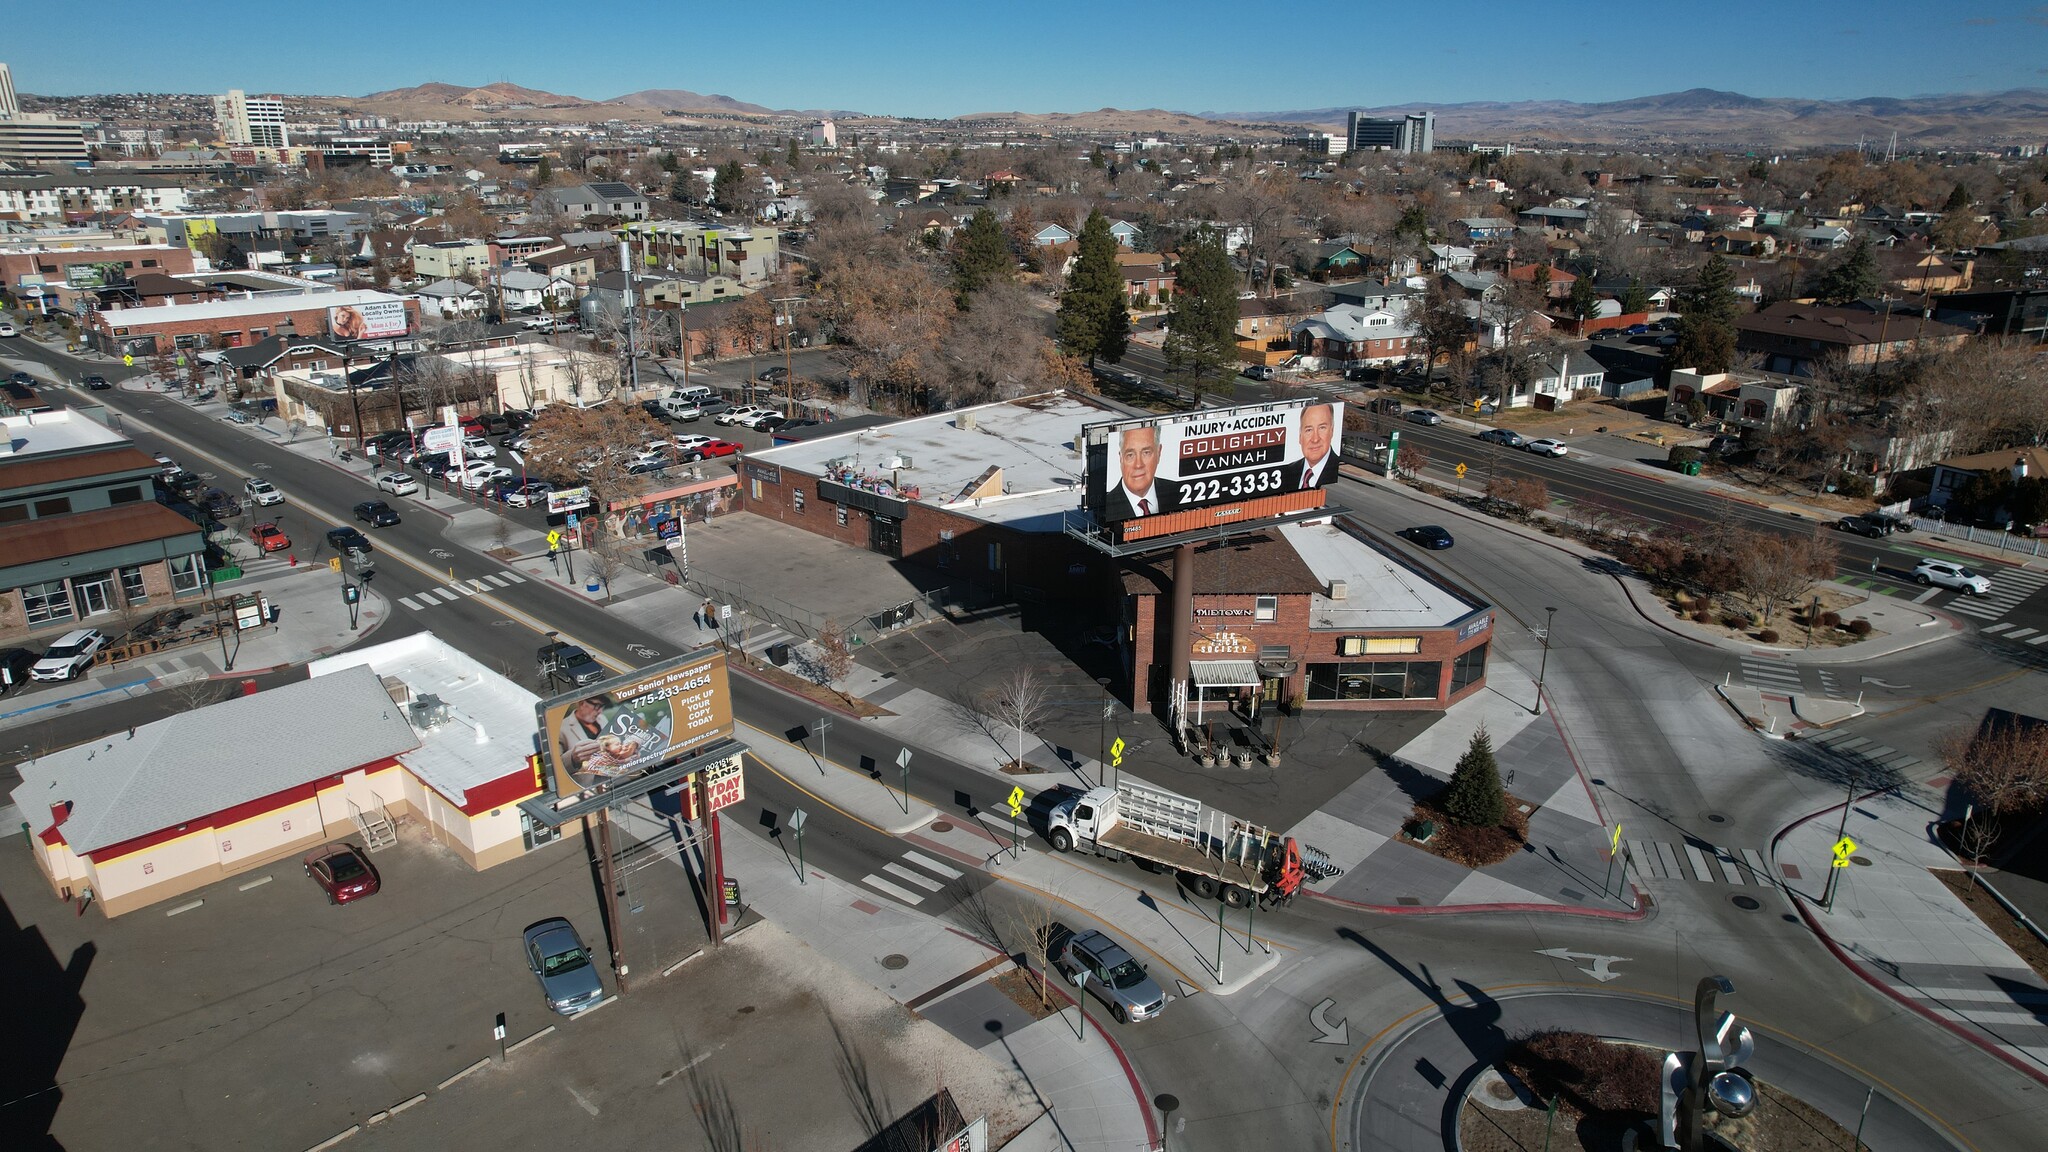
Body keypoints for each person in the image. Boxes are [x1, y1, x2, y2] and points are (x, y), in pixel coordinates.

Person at [1103, 424, 1176, 521]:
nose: (1138, 465)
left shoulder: (1177, 492)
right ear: (1121, 458)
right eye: (1130, 455)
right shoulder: (1107, 506)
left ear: (1159, 453)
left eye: (1146, 453)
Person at [1277, 402, 1338, 491]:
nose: (1315, 439)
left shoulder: (1335, 470)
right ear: (1300, 436)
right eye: (1309, 430)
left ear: (1332, 431)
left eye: (1322, 428)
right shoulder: (1287, 472)